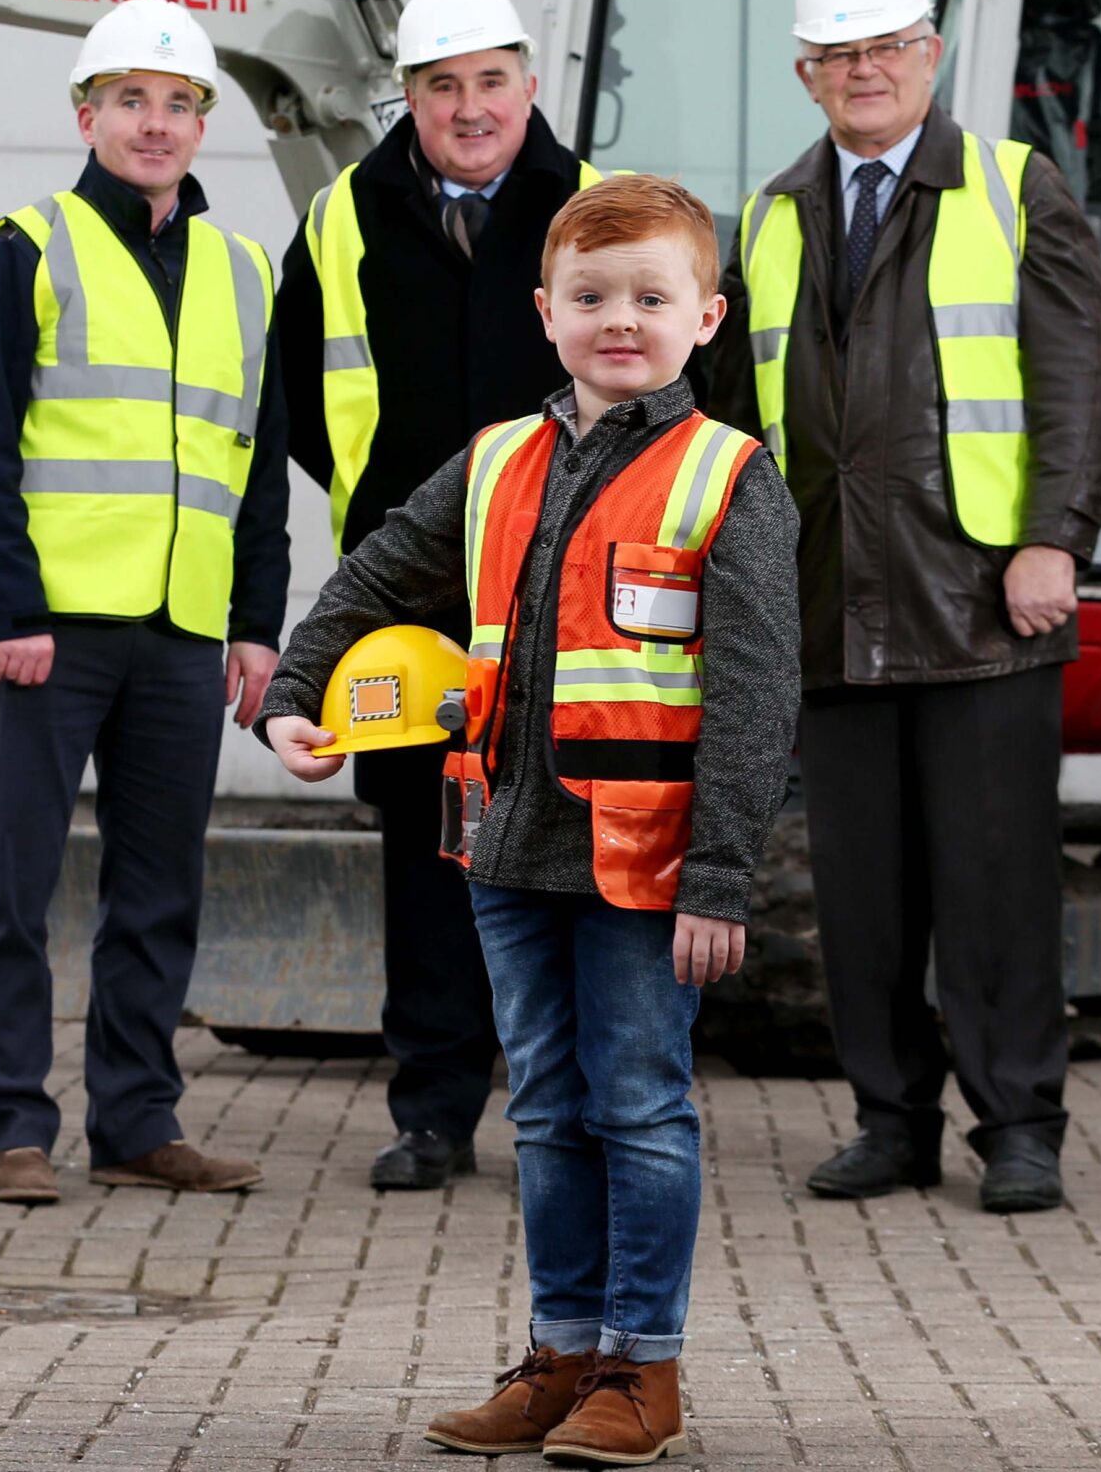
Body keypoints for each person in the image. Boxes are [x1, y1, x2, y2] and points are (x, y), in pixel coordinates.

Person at [261, 175, 801, 1465]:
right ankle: (559, 1358)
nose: (623, 320)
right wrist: (293, 687)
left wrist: (721, 876)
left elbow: (756, 694)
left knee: (641, 1107)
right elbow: (381, 564)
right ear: (546, 312)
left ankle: (639, 1370)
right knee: (550, 1111)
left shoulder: (729, 476)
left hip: (646, 863)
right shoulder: (500, 458)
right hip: (508, 845)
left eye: (652, 298)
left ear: (706, 316)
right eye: (594, 297)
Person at [708, 0, 1101, 1215]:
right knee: (866, 899)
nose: (865, 71)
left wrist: (1055, 533)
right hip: (833, 610)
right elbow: (736, 413)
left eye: (886, 47)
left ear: (930, 55)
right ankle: (890, 1121)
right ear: (806, 74)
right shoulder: (771, 219)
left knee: (993, 886)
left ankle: (1019, 1127)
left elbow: (1079, 375)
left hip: (983, 603)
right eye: (839, 55)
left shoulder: (1014, 188)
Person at [0, 0, 290, 1206]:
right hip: (51, 631)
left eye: (179, 103)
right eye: (132, 101)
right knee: (14, 879)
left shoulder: (247, 272)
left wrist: (255, 625)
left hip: (184, 633)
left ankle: (138, 1120)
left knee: (159, 887)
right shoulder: (22, 247)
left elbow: (258, 466)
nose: (156, 123)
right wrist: (15, 610)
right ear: (85, 114)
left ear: (203, 124)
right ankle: (11, 1125)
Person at [271, 0, 606, 1193]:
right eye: (440, 86)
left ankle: (566, 1113)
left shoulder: (598, 208)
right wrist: (394, 519)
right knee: (423, 847)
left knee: (569, 841)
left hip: (570, 585)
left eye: (489, 81)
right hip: (408, 593)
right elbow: (302, 403)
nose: (468, 107)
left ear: (529, 83)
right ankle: (432, 1111)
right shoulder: (341, 217)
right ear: (404, 97)